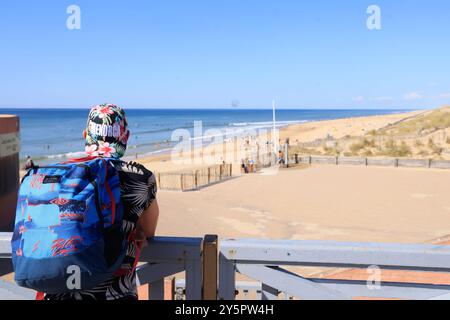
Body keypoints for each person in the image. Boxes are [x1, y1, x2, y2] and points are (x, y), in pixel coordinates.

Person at [45, 103, 159, 300]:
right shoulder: (140, 178)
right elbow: (148, 232)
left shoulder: (58, 176)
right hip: (115, 294)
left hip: (60, 292)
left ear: (85, 136)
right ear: (126, 137)